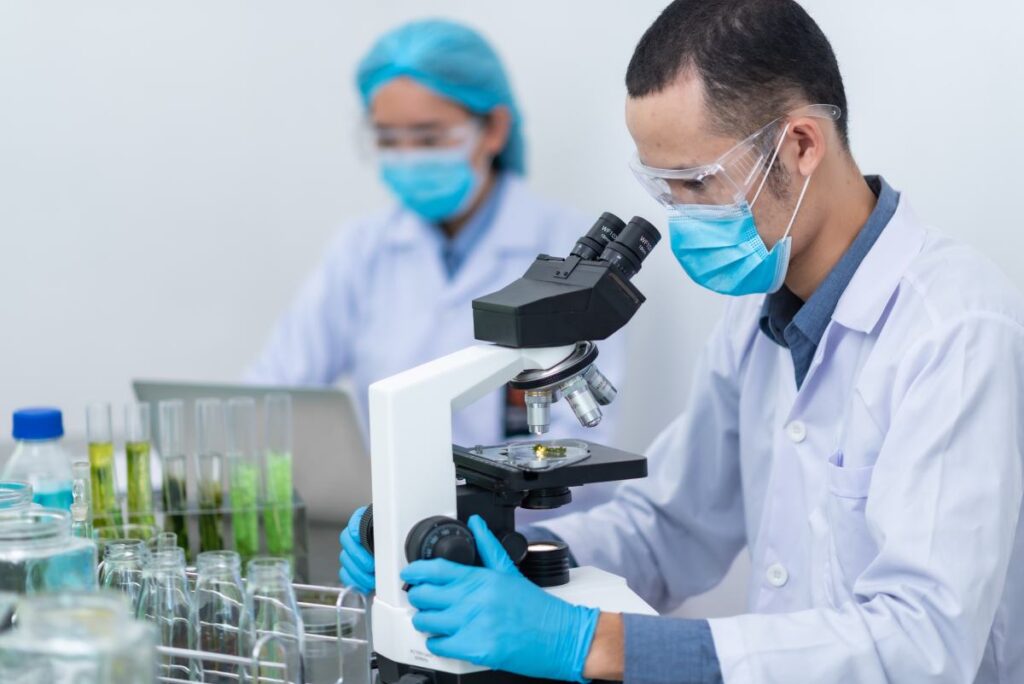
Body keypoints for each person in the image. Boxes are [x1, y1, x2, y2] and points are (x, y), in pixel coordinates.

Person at [342, 1, 1024, 682]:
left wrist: (590, 642)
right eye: (664, 189)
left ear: (801, 146)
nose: (680, 219)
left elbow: (921, 642)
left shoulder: (955, 331)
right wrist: (495, 552)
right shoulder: (756, 317)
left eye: (696, 182)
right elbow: (668, 526)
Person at [245, 19, 623, 450]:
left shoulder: (567, 249)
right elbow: (274, 393)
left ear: (494, 129)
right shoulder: (361, 249)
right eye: (388, 140)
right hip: (379, 495)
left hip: (524, 496)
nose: (407, 157)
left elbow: (584, 435)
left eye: (428, 138)